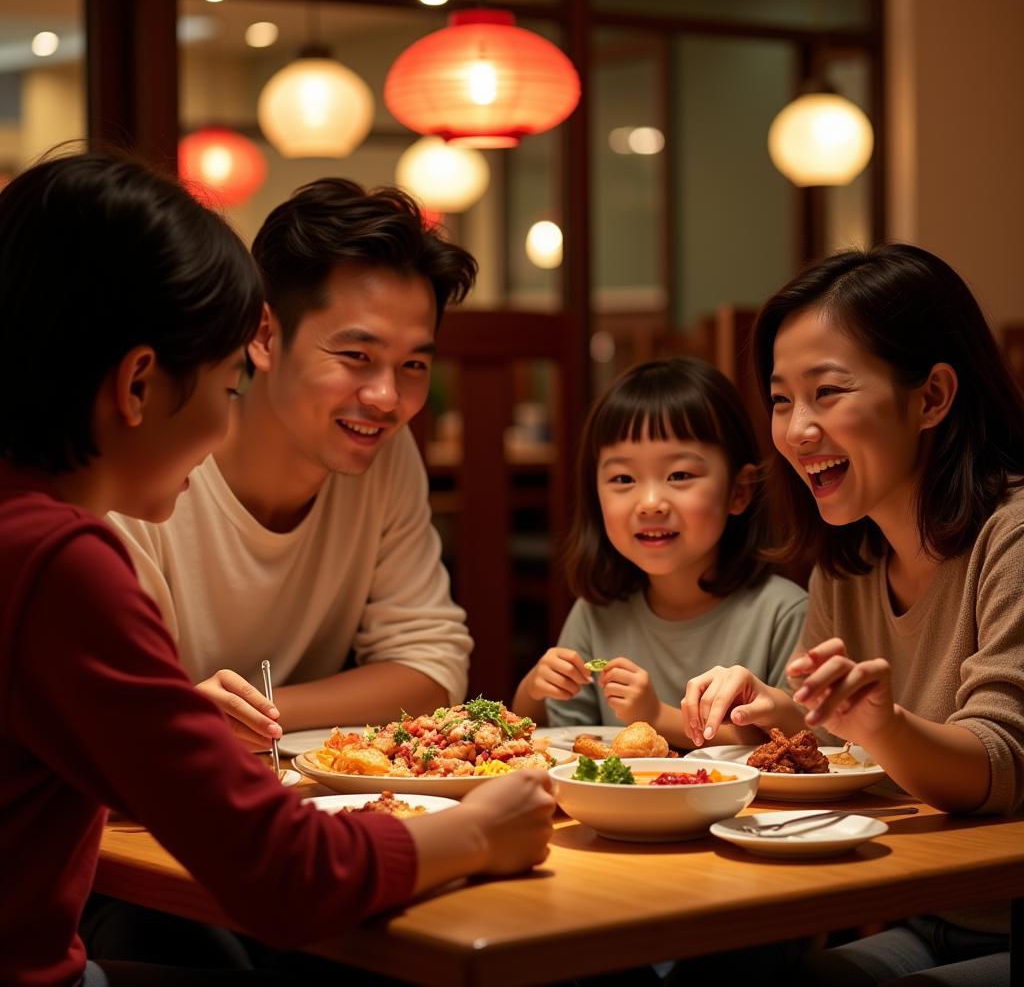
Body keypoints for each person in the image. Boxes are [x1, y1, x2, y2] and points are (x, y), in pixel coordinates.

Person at [0, 151, 554, 987]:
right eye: (227, 389)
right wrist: (476, 831)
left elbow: (431, 662)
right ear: (139, 384)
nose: (228, 427)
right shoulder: (58, 559)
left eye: (413, 363)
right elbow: (281, 873)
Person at [682, 244, 1022, 986]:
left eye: (828, 392)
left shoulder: (1014, 537)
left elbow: (1001, 765)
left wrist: (881, 724)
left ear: (931, 397)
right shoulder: (849, 555)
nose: (797, 429)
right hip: (919, 913)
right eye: (779, 399)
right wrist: (774, 712)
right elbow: (845, 739)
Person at [109, 178, 477, 749]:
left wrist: (257, 717)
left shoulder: (383, 451)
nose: (386, 397)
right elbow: (115, 705)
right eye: (357, 356)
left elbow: (431, 668)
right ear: (263, 336)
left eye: (413, 365)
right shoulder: (151, 467)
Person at [512, 357, 806, 750]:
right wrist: (534, 689)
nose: (650, 503)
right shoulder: (596, 614)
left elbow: (798, 743)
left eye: (679, 475)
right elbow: (563, 742)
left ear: (739, 491)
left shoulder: (783, 614)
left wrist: (655, 717)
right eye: (623, 479)